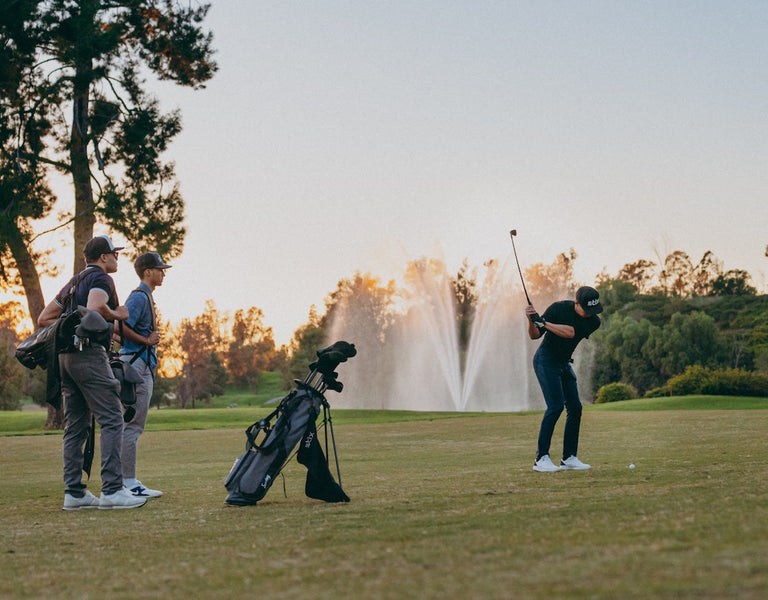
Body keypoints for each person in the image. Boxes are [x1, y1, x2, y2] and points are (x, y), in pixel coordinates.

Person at [38, 235, 146, 510]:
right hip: (88, 356)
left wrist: (76, 325)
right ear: (103, 257)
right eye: (114, 253)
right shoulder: (101, 278)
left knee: (76, 426)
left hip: (65, 358)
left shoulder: (73, 282)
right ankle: (112, 491)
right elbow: (96, 307)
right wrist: (118, 314)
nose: (117, 258)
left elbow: (44, 318)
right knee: (112, 418)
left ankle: (74, 494)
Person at [525, 286, 603, 473]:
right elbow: (535, 335)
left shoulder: (594, 321)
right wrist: (532, 320)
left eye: (593, 309)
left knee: (575, 408)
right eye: (587, 309)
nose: (590, 313)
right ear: (576, 303)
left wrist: (544, 322)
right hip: (545, 360)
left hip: (563, 363)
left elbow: (571, 332)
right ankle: (541, 458)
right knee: (556, 406)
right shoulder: (558, 308)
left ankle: (569, 458)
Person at [117, 252, 172, 498]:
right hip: (136, 365)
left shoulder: (145, 296)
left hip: (138, 363)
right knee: (132, 425)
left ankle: (124, 481)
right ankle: (128, 483)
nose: (163, 273)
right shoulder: (139, 297)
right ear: (147, 272)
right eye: (160, 269)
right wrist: (146, 340)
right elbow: (120, 325)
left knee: (131, 425)